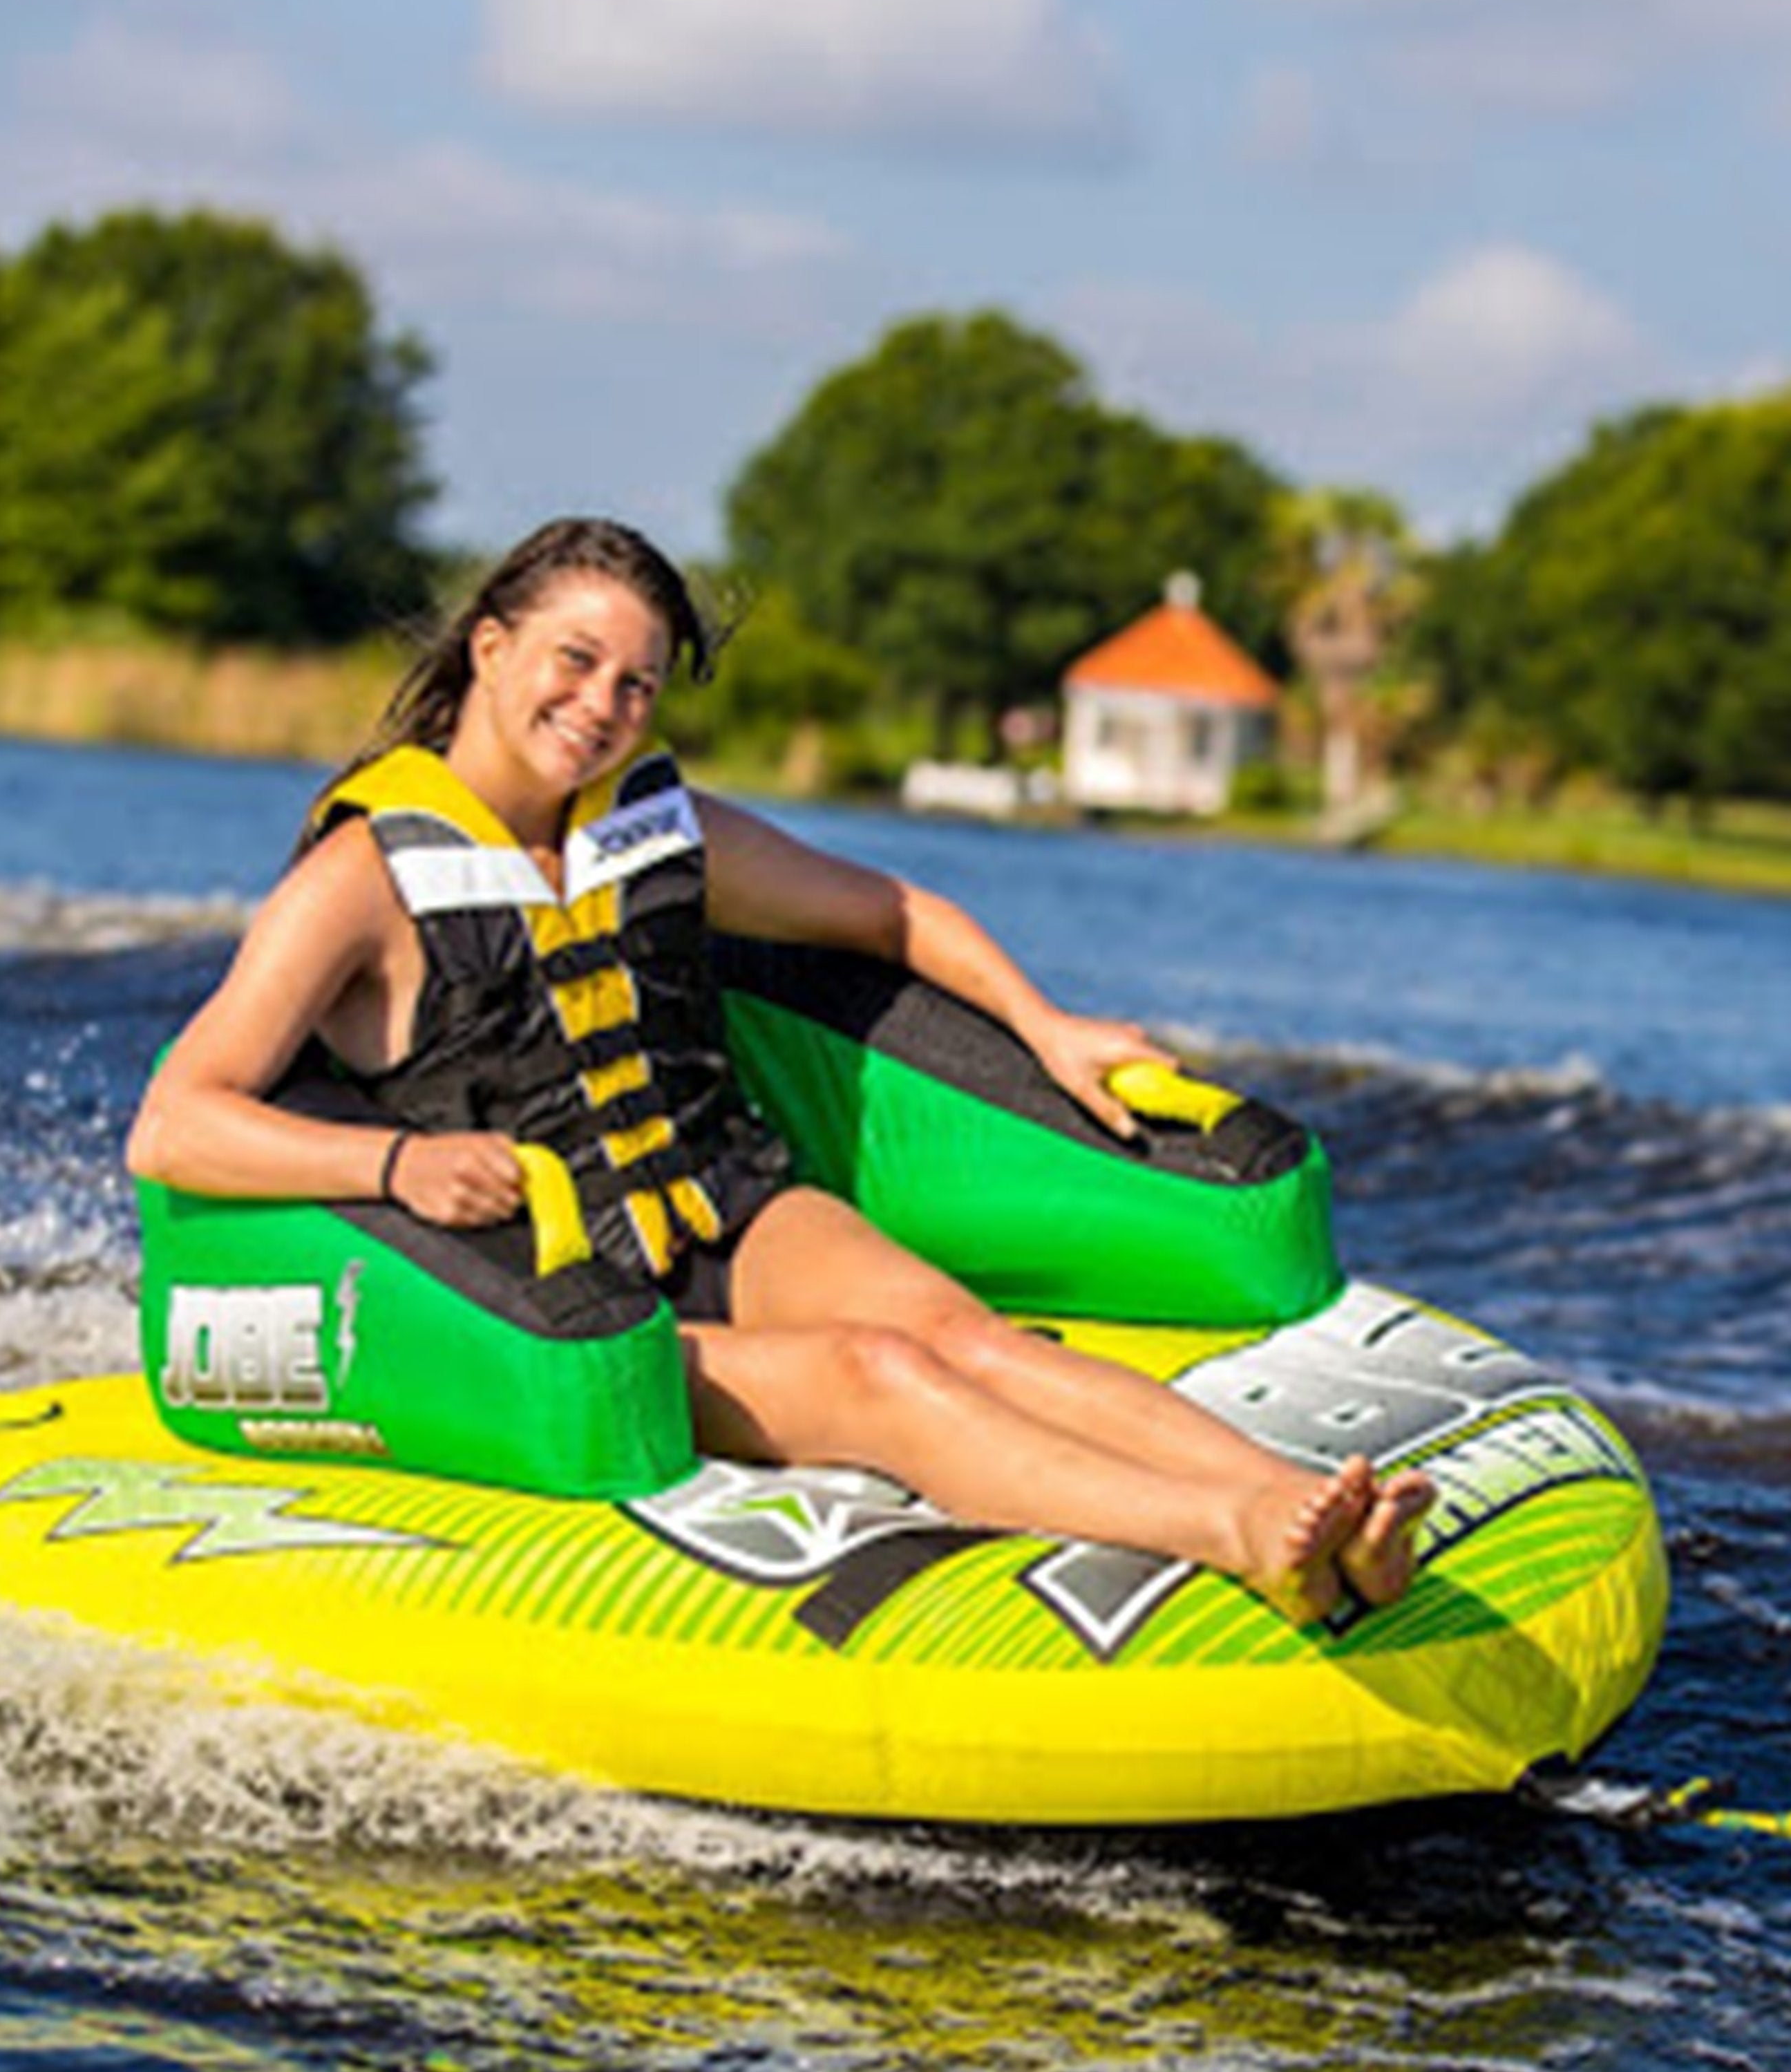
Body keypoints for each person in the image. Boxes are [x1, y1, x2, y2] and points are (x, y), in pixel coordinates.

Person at [127, 516, 1433, 1621]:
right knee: (885, 1379)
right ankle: (1246, 1540)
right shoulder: (360, 881)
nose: (600, 709)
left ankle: (1291, 1501)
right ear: (490, 647)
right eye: (574, 663)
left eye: (635, 686)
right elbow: (178, 1123)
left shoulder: (660, 829)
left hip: (724, 1202)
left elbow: (891, 914)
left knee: (961, 1333)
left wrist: (1048, 1025)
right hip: (558, 1286)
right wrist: (397, 1165)